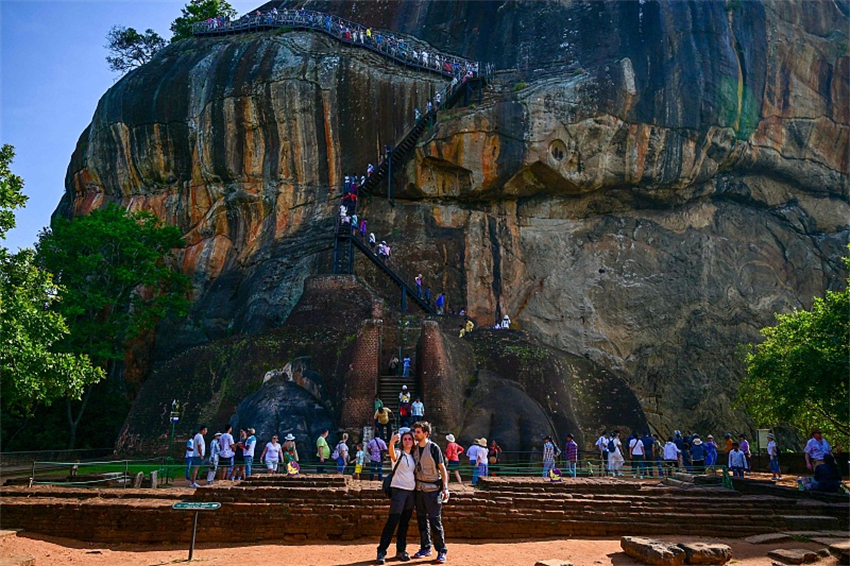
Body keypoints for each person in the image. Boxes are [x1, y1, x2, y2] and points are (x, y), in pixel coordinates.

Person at [411, 421, 450, 564]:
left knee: (435, 520)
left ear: (425, 433)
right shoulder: (414, 449)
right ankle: (425, 547)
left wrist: (445, 487)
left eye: (418, 432)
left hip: (433, 489)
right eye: (415, 432)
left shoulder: (434, 448)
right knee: (421, 519)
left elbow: (442, 468)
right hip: (419, 489)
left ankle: (441, 550)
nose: (415, 434)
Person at [376, 431, 417, 564]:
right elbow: (392, 454)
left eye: (410, 439)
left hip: (410, 492)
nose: (407, 441)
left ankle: (401, 550)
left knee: (404, 522)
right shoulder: (399, 453)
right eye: (405, 439)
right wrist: (392, 442)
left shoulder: (414, 456)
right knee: (393, 520)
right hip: (399, 490)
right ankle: (381, 551)